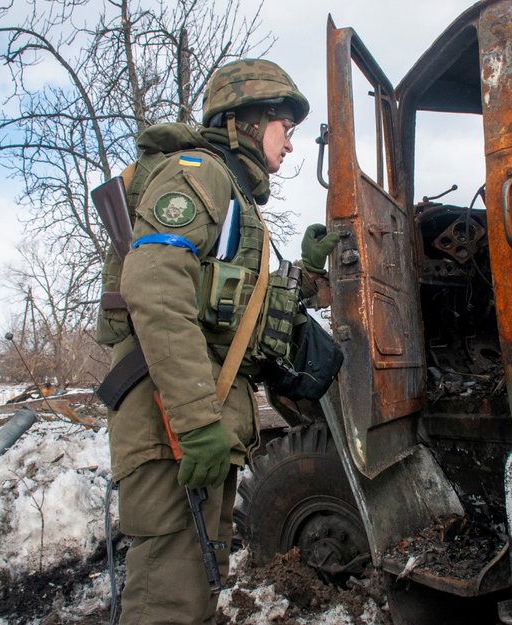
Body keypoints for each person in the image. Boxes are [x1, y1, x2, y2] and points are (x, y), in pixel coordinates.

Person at [103, 59, 338, 625]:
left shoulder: (235, 198)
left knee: (190, 594)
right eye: (285, 124)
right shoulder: (197, 174)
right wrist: (195, 421)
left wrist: (305, 273)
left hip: (192, 427)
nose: (290, 143)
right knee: (169, 601)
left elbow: (240, 317)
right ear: (248, 121)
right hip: (173, 428)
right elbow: (155, 287)